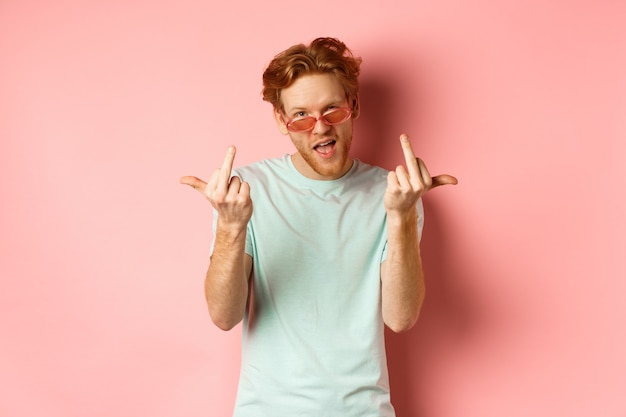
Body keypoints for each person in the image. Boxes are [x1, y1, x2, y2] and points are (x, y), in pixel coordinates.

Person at [180, 37, 457, 417]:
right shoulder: (245, 192)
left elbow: (401, 317)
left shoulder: (396, 193)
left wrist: (401, 217)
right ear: (282, 120)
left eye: (333, 110)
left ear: (353, 106)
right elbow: (224, 316)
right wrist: (231, 226)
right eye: (301, 116)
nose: (320, 128)